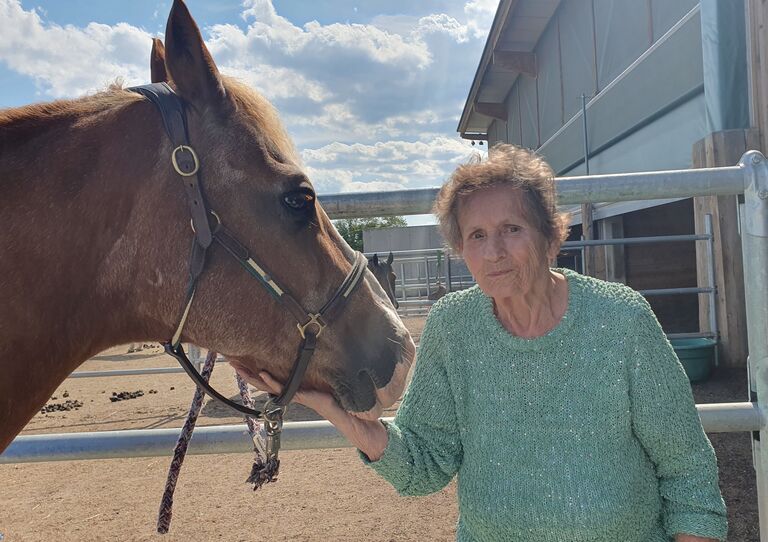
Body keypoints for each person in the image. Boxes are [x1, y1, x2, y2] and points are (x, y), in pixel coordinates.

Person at [245, 144, 727, 542]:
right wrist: (337, 412)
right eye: (476, 235)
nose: (493, 252)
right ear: (461, 250)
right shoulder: (454, 327)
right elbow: (424, 463)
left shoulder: (621, 320)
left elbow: (689, 475)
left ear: (550, 235)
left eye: (511, 230)